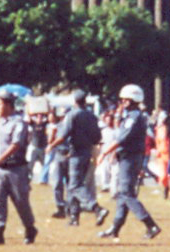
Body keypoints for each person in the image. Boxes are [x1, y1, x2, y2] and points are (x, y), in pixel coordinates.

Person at [94, 85, 159, 241]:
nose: (122, 102)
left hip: (130, 158)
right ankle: (115, 228)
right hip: (127, 156)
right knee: (123, 194)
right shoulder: (131, 115)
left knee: (127, 194)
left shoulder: (134, 117)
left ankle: (151, 225)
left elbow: (122, 138)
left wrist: (105, 152)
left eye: (125, 99)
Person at [0, 91, 37, 245]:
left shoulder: (19, 123)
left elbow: (15, 145)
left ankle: (29, 228)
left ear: (8, 105)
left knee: (21, 201)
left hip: (16, 169)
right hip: (0, 169)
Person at [51, 90, 106, 227]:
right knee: (74, 185)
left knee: (75, 185)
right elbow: (97, 137)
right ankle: (74, 217)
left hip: (75, 153)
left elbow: (63, 135)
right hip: (87, 152)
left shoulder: (72, 115)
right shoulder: (91, 116)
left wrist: (51, 145)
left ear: (74, 101)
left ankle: (97, 208)